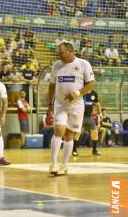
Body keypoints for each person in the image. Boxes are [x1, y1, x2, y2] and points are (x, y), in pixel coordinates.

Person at [47, 42, 94, 175]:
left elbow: (91, 84)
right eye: (59, 53)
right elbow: (51, 86)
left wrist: (77, 93)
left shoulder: (83, 64)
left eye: (62, 53)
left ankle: (64, 165)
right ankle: (53, 163)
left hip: (76, 106)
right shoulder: (57, 65)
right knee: (59, 130)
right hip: (60, 105)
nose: (59, 55)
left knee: (69, 135)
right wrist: (50, 104)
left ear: (70, 51)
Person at [72, 89, 101, 156]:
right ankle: (74, 150)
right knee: (78, 133)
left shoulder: (94, 93)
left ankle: (94, 150)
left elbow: (97, 104)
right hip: (80, 116)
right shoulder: (81, 92)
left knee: (95, 132)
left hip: (89, 117)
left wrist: (100, 113)